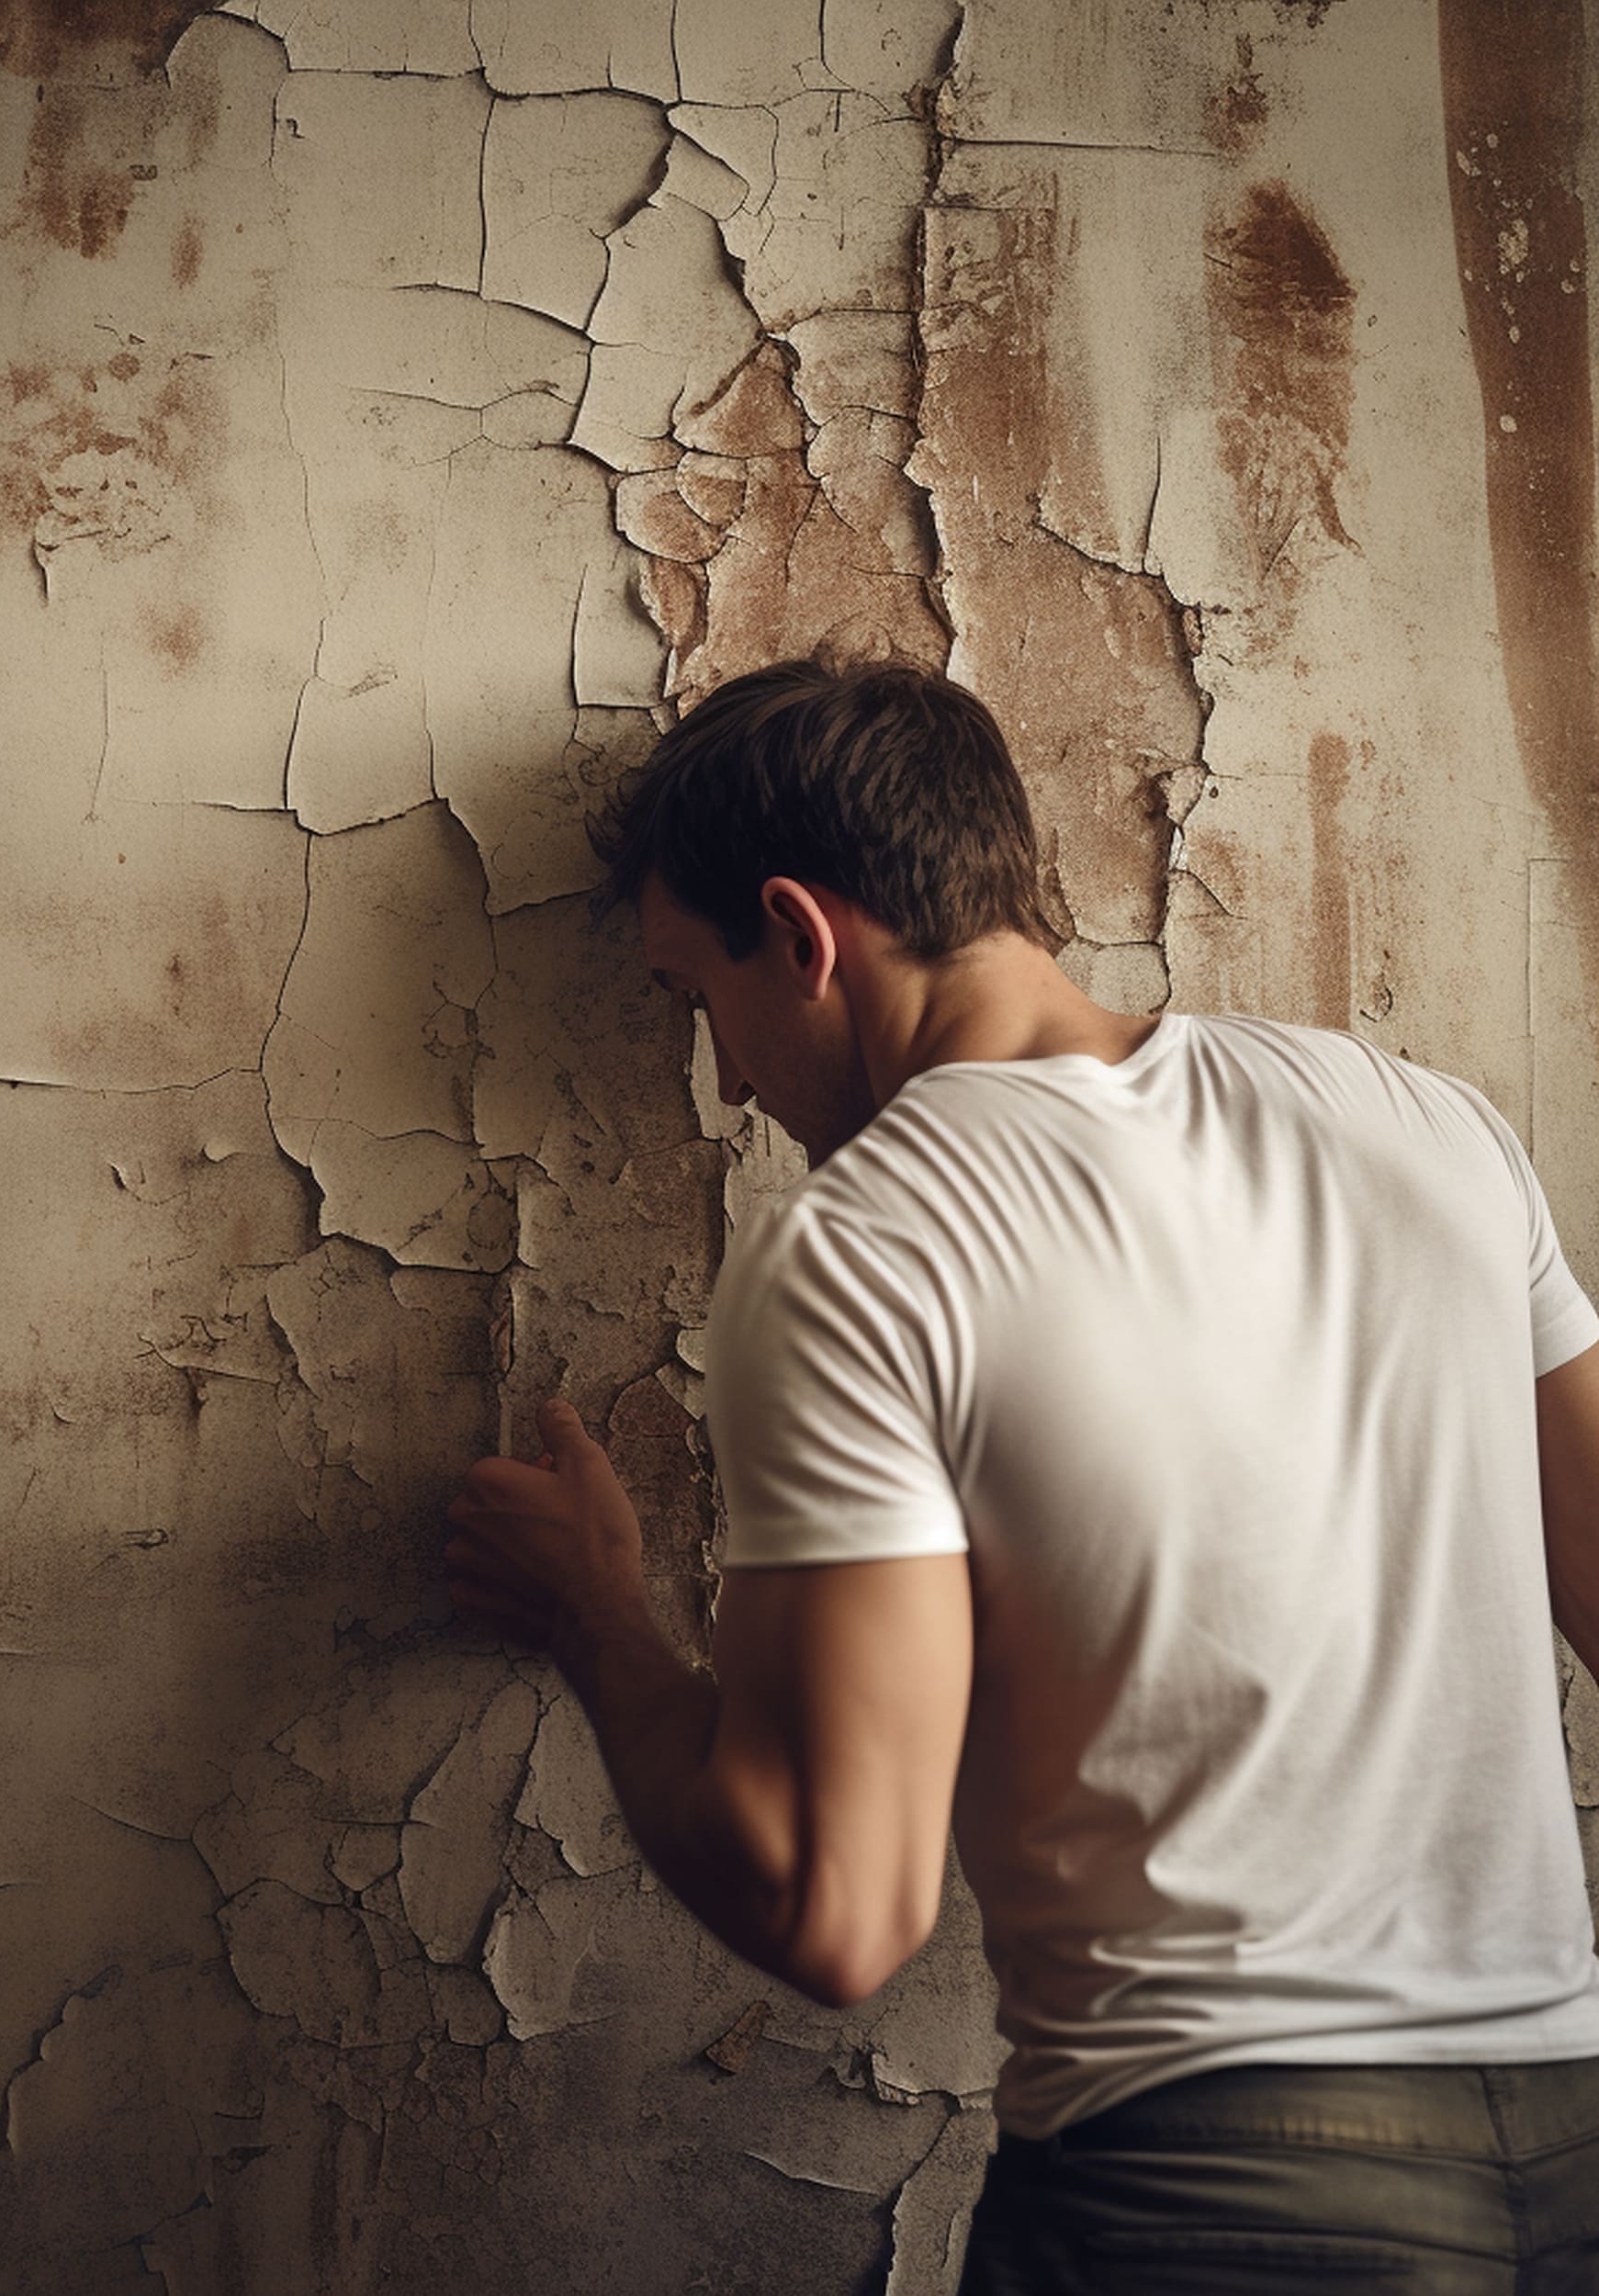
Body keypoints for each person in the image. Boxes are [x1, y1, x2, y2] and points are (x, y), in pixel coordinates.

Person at [444, 658, 1599, 2291]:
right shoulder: (1430, 1129)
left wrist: (594, 1614)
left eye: (699, 1001)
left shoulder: (867, 1251)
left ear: (802, 932)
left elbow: (837, 1912)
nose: (724, 1085)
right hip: (1563, 2143)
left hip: (1213, 2197)